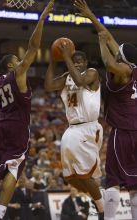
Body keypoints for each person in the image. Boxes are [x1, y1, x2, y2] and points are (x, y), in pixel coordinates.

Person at [74, 0, 137, 219]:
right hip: (134, 130)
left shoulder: (123, 70)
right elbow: (110, 37)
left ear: (123, 57)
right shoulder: (132, 68)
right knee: (134, 182)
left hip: (125, 131)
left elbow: (109, 62)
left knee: (114, 180)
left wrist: (101, 44)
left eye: (118, 52)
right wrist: (91, 15)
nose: (115, 50)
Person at [0, 1, 54, 219]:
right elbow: (34, 47)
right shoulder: (17, 73)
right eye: (17, 61)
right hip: (17, 126)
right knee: (12, 169)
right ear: (11, 65)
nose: (21, 63)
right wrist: (42, 16)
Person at [45, 46, 104, 219]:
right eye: (74, 62)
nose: (77, 65)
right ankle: (98, 196)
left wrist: (67, 58)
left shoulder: (92, 73)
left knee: (85, 175)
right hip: (71, 129)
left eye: (80, 62)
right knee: (70, 177)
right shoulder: (66, 77)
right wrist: (53, 61)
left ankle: (101, 210)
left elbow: (79, 81)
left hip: (88, 127)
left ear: (86, 63)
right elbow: (48, 86)